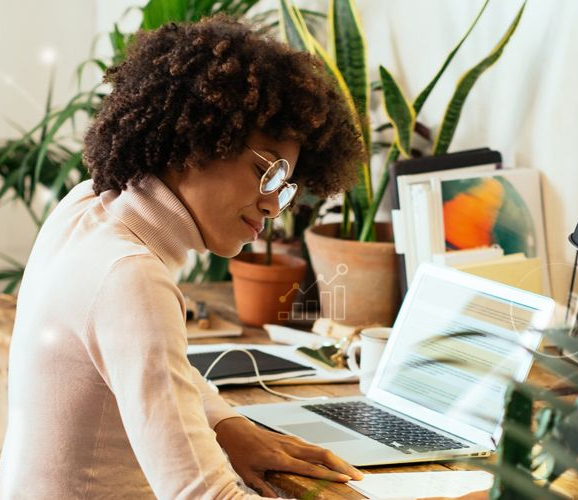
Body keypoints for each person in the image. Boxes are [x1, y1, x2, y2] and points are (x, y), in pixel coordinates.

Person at [0, 15, 366, 499]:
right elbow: (203, 494)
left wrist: (229, 426)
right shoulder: (130, 277)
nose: (273, 206)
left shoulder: (86, 208)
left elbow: (149, 363)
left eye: (285, 186)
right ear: (197, 141)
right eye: (268, 171)